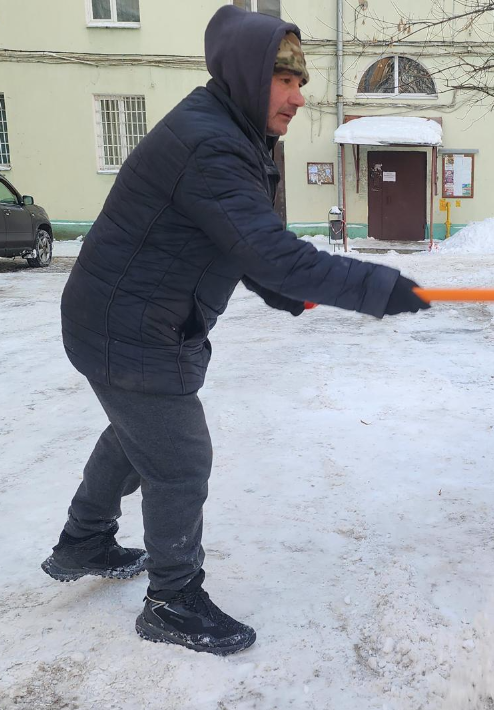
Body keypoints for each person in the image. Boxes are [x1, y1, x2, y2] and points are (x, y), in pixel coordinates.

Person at [41, 6, 428, 656]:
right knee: (180, 461)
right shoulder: (213, 144)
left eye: (300, 82)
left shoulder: (228, 130)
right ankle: (172, 599)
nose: (299, 97)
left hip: (126, 317)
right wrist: (376, 287)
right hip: (129, 327)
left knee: (137, 435)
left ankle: (85, 539)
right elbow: (269, 248)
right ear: (250, 75)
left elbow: (238, 242)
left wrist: (279, 290)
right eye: (286, 80)